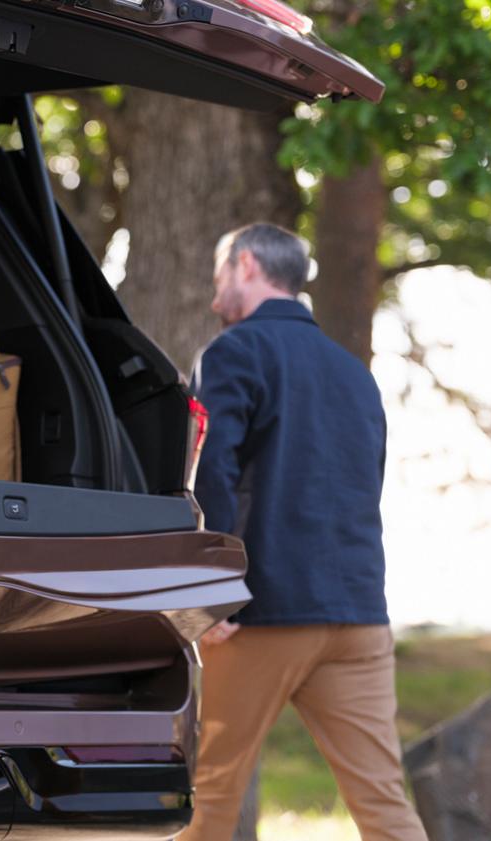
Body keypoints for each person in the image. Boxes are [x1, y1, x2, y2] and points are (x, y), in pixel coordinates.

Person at [178, 223, 427, 841]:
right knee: (384, 804)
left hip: (263, 615)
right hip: (359, 617)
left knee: (208, 798)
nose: (214, 294)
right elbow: (363, 483)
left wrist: (211, 595)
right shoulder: (355, 373)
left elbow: (212, 472)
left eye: (219, 275)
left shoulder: (232, 353)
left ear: (246, 264)